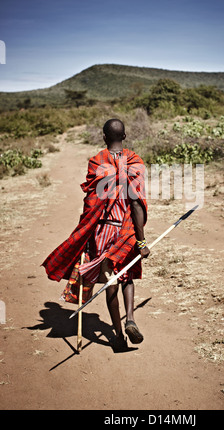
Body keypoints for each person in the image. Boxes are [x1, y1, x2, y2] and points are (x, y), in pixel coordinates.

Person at [42, 118, 150, 352]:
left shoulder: (97, 162)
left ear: (103, 136)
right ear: (124, 136)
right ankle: (130, 318)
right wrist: (141, 241)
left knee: (110, 280)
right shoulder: (135, 162)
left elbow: (92, 206)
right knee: (127, 275)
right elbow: (137, 204)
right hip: (127, 229)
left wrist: (85, 233)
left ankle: (119, 337)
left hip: (102, 230)